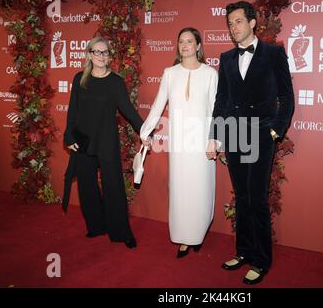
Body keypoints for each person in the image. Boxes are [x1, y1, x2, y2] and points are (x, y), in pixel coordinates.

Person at [206, 1, 294, 284]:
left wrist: (275, 131)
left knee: (256, 198)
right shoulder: (227, 58)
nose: (234, 27)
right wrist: (215, 135)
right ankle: (243, 251)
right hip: (233, 135)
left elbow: (287, 97)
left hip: (261, 135)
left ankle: (261, 259)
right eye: (230, 23)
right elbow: (221, 100)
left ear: (253, 22)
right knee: (241, 197)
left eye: (239, 21)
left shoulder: (273, 53)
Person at [62, 36, 147, 250]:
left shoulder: (115, 82)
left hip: (106, 140)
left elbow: (128, 111)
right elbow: (73, 111)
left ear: (109, 56)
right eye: (96, 52)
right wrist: (68, 136)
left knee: (113, 186)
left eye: (105, 52)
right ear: (89, 54)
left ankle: (121, 232)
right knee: (87, 187)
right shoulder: (80, 78)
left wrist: (145, 131)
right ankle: (97, 226)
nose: (101, 56)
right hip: (82, 139)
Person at [140, 27, 218, 258]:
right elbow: (157, 105)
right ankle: (184, 238)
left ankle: (198, 234)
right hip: (179, 143)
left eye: (189, 41)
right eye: (181, 41)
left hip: (202, 142)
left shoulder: (211, 74)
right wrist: (146, 131)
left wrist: (214, 140)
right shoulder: (169, 73)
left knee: (201, 190)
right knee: (181, 191)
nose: (185, 45)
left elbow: (216, 110)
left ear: (198, 46)